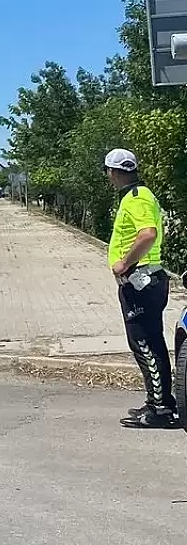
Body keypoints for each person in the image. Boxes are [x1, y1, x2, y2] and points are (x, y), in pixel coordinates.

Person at [104, 149, 174, 428]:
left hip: (141, 281)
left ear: (113, 172)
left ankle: (160, 410)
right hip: (145, 279)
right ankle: (158, 401)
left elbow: (148, 234)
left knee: (144, 344)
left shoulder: (136, 198)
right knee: (151, 342)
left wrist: (123, 263)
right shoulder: (139, 195)